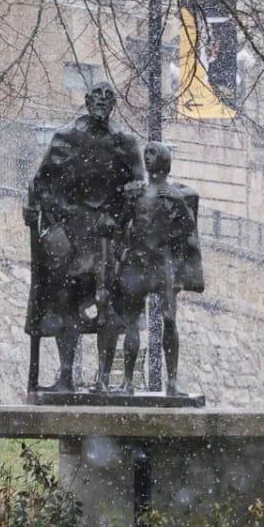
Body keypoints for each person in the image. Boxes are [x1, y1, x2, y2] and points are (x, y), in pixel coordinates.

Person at [24, 82, 144, 393]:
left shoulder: (125, 141)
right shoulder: (66, 137)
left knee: (110, 300)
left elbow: (137, 186)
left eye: (108, 99)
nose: (102, 104)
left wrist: (122, 211)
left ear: (114, 104)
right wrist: (50, 221)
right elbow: (41, 184)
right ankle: (66, 375)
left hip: (109, 234)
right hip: (72, 230)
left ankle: (103, 379)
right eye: (96, 98)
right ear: (87, 101)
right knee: (64, 297)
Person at [101, 142, 205, 394]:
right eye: (146, 154)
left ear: (164, 161)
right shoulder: (137, 193)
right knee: (133, 322)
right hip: (138, 263)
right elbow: (119, 223)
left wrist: (179, 202)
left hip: (162, 264)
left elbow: (188, 230)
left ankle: (171, 382)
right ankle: (128, 381)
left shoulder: (175, 195)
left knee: (169, 319)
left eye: (153, 155)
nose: (147, 159)